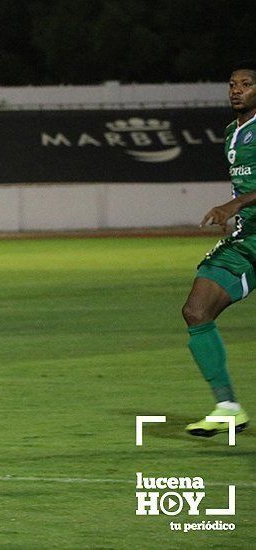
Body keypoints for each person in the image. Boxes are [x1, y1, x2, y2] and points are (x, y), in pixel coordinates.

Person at [182, 60, 256, 437]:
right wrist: (237, 208)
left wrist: (235, 204)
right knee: (196, 311)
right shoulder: (231, 132)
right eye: (232, 84)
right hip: (248, 239)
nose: (237, 90)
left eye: (245, 84)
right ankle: (228, 407)